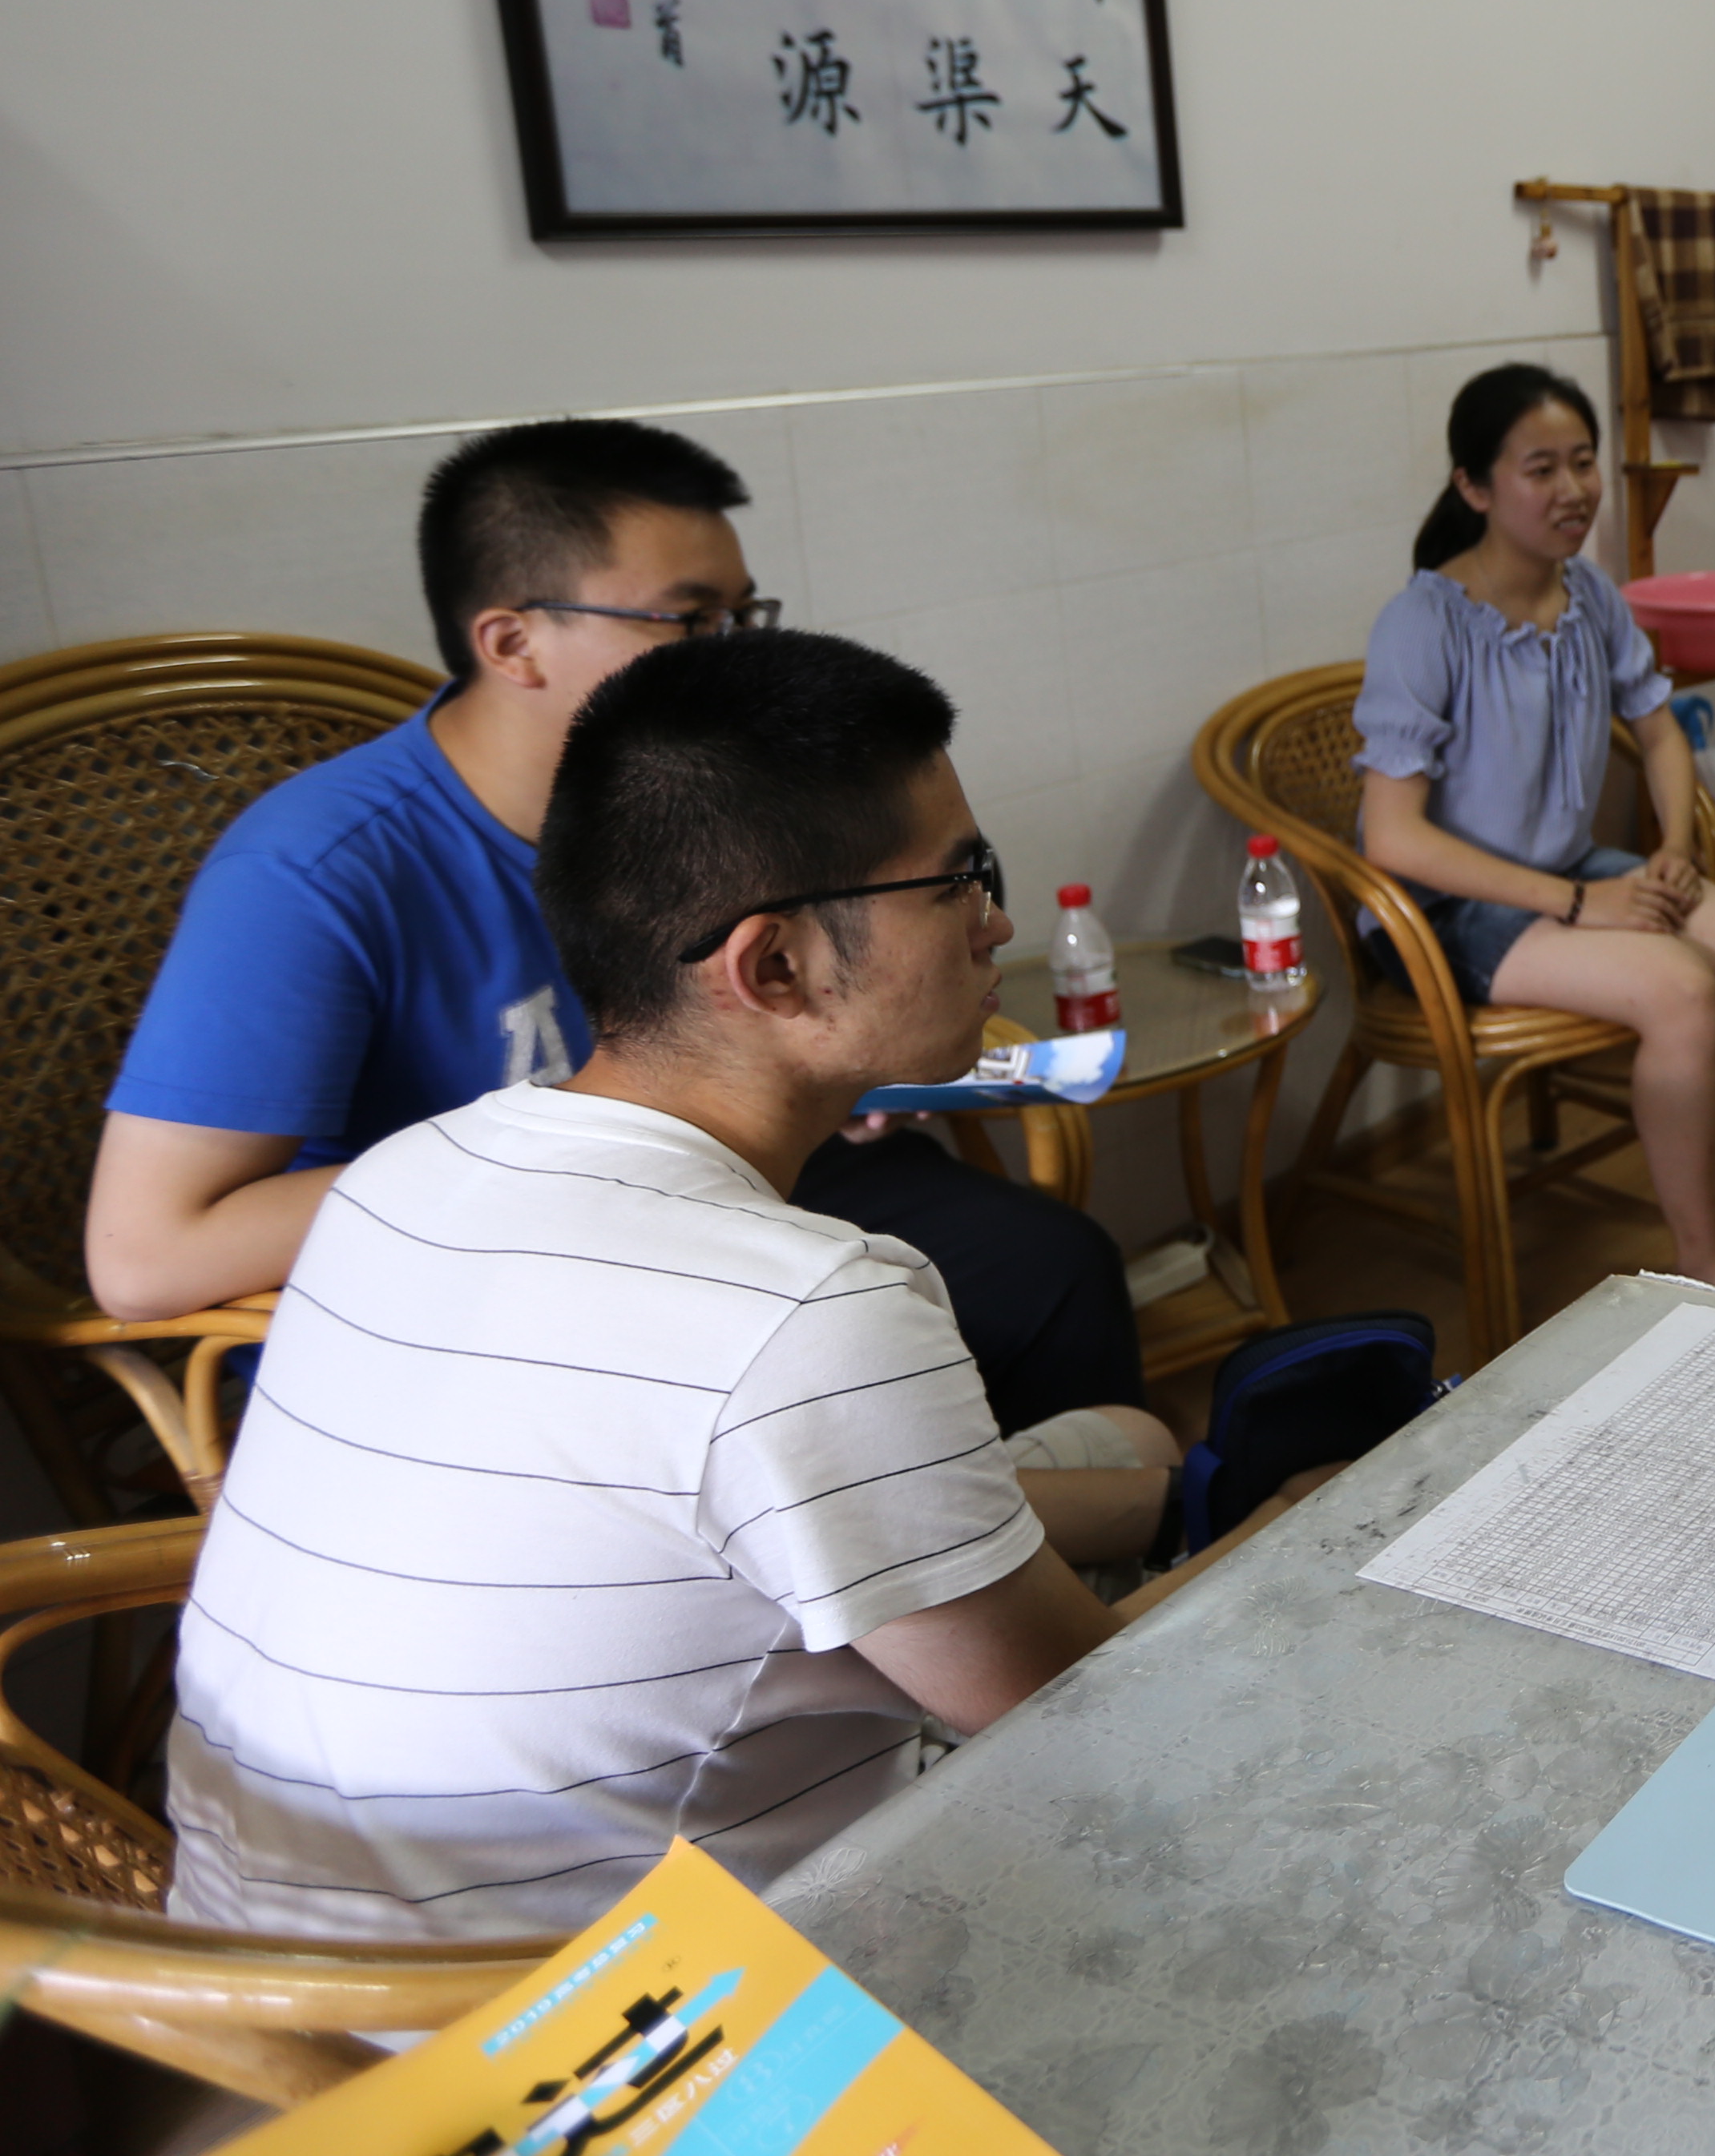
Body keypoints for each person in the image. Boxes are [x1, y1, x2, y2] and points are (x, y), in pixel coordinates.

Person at [164, 631, 1191, 1942]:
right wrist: (1289, 1522)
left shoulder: (400, 1174)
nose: (996, 921)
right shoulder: (813, 1312)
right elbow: (1086, 1716)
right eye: (960, 880)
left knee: (1133, 1443)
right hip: (595, 2018)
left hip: (250, 1981)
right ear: (774, 967)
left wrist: (1166, 1493)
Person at [85, 419, 1142, 1432]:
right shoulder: (313, 872)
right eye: (689, 622)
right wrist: (571, 1145)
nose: (729, 656)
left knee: (1046, 1270)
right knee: (824, 1366)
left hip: (716, 1190)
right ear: (514, 642)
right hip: (495, 1278)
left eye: (744, 617)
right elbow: (144, 1257)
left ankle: (1046, 1540)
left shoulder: (693, 801)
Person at [1357, 365, 1715, 1311]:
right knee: (1681, 991)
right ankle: (1703, 1260)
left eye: (1582, 462)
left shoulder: (1590, 594)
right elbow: (1393, 839)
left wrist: (1674, 848)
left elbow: (1661, 733)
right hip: (1444, 910)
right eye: (1540, 469)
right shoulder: (1422, 623)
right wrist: (1582, 902)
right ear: (1474, 487)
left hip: (1568, 871)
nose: (1573, 490)